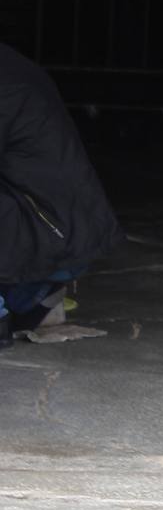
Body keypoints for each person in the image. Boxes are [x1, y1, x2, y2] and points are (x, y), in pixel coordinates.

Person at [1, 45, 122, 346]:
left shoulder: (7, 82)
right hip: (55, 235)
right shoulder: (10, 64)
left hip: (48, 235)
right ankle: (33, 303)